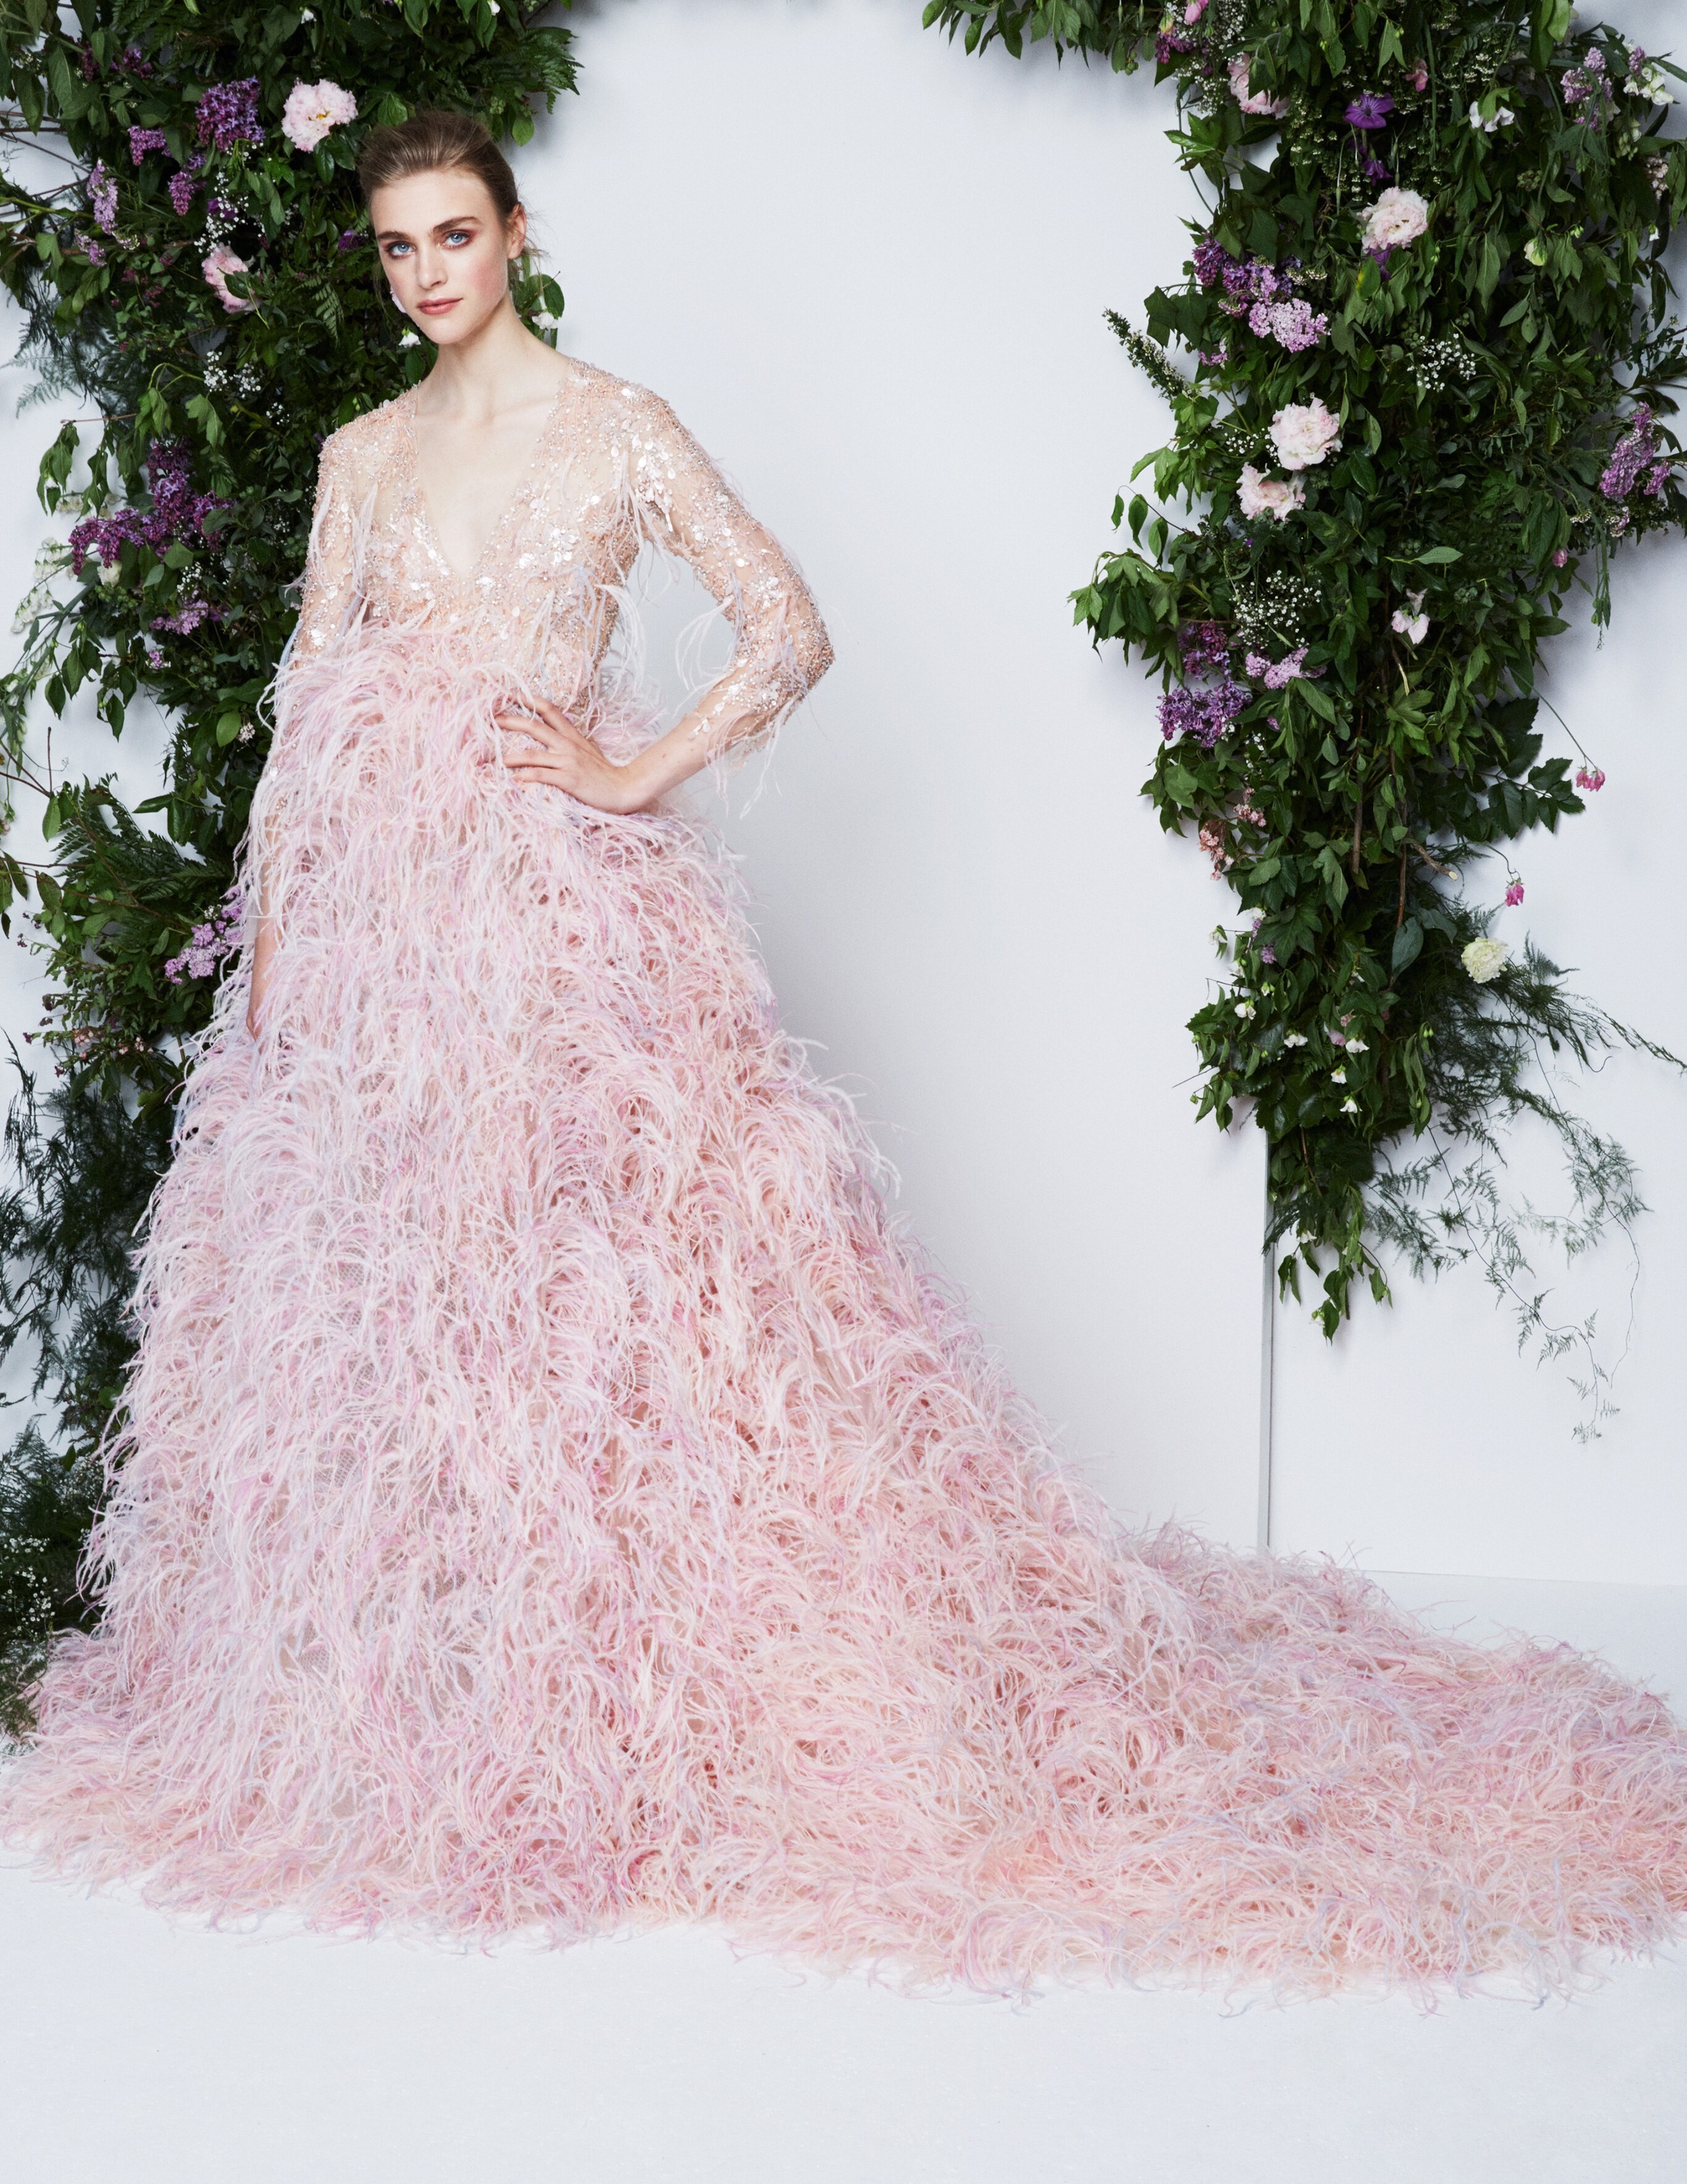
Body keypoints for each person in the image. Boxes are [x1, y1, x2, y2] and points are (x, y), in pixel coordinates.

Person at [1, 109, 1683, 2002]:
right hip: (381, 946)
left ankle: (621, 1721)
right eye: (396, 246)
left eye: (452, 235)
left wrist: (627, 771)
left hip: (556, 936)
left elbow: (787, 629)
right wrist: (274, 969)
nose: (424, 276)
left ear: (516, 233)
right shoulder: (362, 457)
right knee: (404, 1321)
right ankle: (428, 1711)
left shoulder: (616, 427)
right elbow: (309, 718)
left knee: (609, 1309)